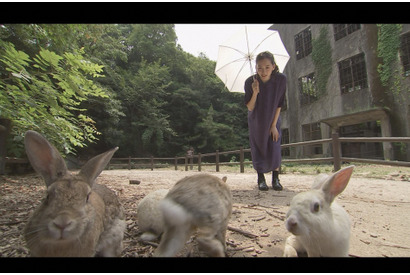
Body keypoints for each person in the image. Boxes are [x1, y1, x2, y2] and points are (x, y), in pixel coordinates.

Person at [244, 51, 287, 191]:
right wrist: (255, 92)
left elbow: (280, 103)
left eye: (267, 67)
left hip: (273, 118)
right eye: (260, 67)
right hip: (257, 120)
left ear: (273, 66)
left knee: (274, 145)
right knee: (258, 146)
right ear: (256, 67)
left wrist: (273, 125)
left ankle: (276, 178)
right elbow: (250, 107)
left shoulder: (281, 80)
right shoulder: (250, 82)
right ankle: (261, 179)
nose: (263, 71)